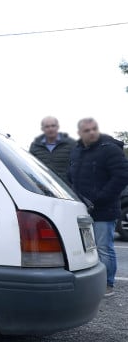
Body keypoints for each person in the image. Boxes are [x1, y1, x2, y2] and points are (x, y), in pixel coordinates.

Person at [68, 118, 128, 297]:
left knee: (103, 248)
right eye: (86, 130)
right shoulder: (77, 151)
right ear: (80, 133)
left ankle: (107, 285)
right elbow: (70, 175)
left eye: (94, 129)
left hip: (104, 209)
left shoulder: (109, 150)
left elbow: (122, 176)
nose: (91, 132)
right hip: (81, 209)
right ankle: (92, 283)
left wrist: (100, 198)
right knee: (86, 249)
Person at [29, 116, 75, 184]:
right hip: (44, 189)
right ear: (42, 128)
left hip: (67, 190)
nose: (50, 129)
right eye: (47, 126)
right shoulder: (35, 146)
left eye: (53, 126)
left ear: (58, 127)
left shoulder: (71, 144)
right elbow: (31, 168)